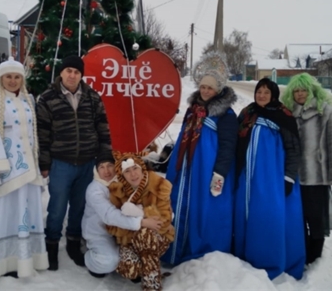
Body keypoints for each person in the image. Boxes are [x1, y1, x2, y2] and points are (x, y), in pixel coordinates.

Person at [0, 57, 48, 278]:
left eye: (17, 77)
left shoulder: (29, 100)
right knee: (5, 214)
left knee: (25, 214)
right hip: (6, 170)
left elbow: (34, 136)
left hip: (28, 170)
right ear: (1, 78)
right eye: (8, 77)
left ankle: (24, 259)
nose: (12, 81)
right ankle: (2, 262)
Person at [36, 54, 112, 270]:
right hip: (61, 162)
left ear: (81, 75)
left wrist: (104, 157)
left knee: (79, 206)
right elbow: (42, 133)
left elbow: (103, 128)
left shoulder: (92, 97)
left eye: (77, 72)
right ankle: (51, 244)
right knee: (57, 207)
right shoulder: (48, 98)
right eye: (69, 70)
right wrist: (44, 163)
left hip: (87, 162)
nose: (72, 75)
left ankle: (73, 242)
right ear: (61, 73)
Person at [162, 53, 238, 266]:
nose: (205, 91)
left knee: (207, 210)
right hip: (188, 169)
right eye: (203, 87)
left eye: (210, 88)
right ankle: (177, 249)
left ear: (218, 90)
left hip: (208, 170)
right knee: (180, 206)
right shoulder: (193, 109)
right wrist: (173, 166)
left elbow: (228, 146)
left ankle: (205, 256)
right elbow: (182, 138)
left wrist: (220, 173)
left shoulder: (226, 115)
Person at [234, 78, 305, 280]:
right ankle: (244, 257)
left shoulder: (283, 116)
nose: (262, 95)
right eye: (259, 91)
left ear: (273, 95)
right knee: (247, 216)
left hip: (272, 179)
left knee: (268, 217)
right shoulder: (247, 113)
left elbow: (293, 149)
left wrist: (289, 177)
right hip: (248, 178)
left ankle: (270, 260)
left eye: (266, 92)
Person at [82, 154, 164, 278]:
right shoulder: (94, 190)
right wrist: (141, 222)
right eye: (102, 167)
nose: (107, 171)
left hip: (123, 231)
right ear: (96, 170)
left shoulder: (125, 181)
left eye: (110, 166)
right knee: (109, 261)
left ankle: (132, 265)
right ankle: (91, 256)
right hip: (100, 233)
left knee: (147, 243)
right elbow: (109, 215)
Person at [281, 73, 332, 265]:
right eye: (296, 90)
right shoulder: (288, 113)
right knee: (298, 215)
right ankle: (302, 251)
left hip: (317, 174)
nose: (300, 94)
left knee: (315, 216)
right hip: (295, 175)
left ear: (312, 90)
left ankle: (315, 255)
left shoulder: (324, 111)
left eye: (304, 90)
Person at [106, 152, 175, 291]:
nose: (133, 174)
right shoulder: (117, 193)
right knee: (128, 270)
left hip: (157, 237)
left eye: (135, 168)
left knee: (146, 235)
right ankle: (146, 267)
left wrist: (139, 213)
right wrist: (138, 223)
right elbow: (111, 227)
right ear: (122, 175)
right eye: (127, 171)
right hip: (130, 241)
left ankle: (152, 285)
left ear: (142, 168)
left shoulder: (158, 185)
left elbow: (164, 221)